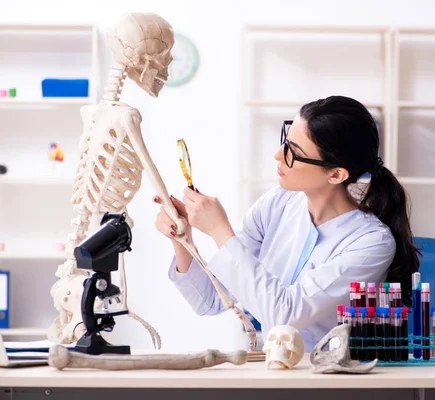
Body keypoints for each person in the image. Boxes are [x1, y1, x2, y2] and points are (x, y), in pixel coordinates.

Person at [153, 95, 420, 351]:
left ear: (336, 174)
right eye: (286, 141)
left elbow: (286, 315)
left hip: (331, 378)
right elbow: (209, 300)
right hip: (277, 368)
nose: (278, 155)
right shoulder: (277, 204)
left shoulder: (371, 243)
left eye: (294, 152)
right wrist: (182, 238)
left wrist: (219, 231)